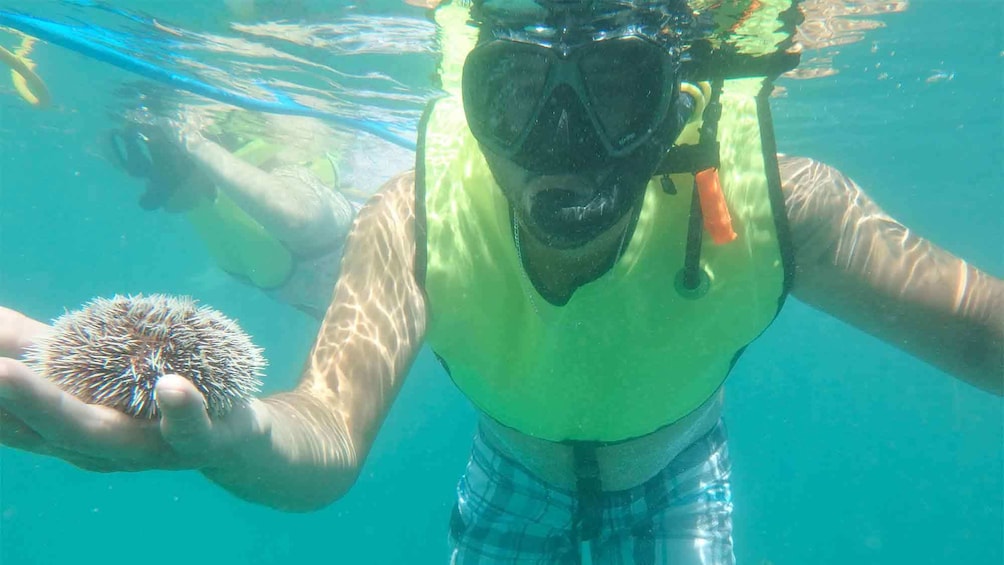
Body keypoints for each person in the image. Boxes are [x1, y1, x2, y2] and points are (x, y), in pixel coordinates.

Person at [0, 1, 1001, 563]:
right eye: (517, 98)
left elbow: (982, 332)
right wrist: (237, 437)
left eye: (616, 91)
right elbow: (328, 431)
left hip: (678, 467)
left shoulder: (786, 204)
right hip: (506, 470)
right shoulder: (412, 214)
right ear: (468, 105)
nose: (562, 146)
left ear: (678, 108)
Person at [106, 104, 402, 319]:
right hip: (322, 290)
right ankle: (182, 143)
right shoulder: (212, 197)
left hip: (329, 269)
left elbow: (297, 219)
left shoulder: (293, 170)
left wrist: (192, 142)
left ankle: (188, 141)